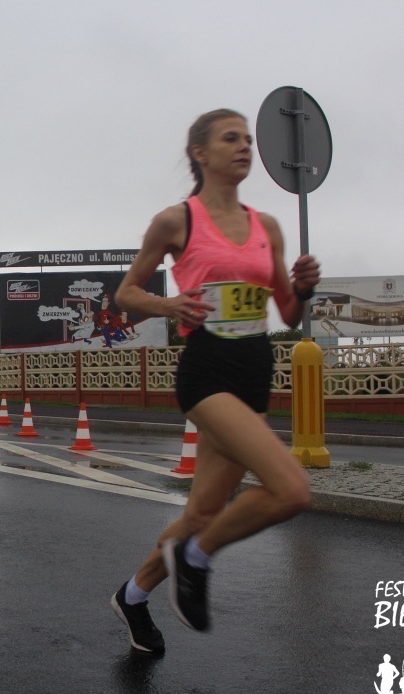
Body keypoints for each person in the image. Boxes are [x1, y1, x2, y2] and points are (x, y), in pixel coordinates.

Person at [109, 109, 320, 653]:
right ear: (200, 153)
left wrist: (302, 288)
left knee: (202, 512)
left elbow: (288, 313)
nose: (245, 146)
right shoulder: (176, 221)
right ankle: (196, 557)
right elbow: (126, 293)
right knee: (292, 490)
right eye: (231, 138)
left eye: (248, 138)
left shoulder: (267, 226)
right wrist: (169, 303)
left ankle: (132, 595)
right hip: (207, 371)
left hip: (254, 371)